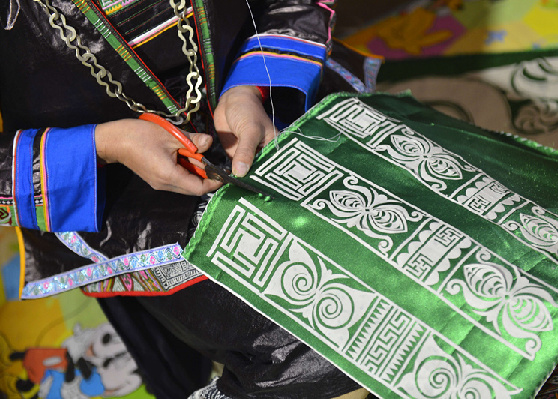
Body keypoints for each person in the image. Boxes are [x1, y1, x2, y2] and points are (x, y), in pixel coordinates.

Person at [0, 0, 379, 397]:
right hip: (119, 197)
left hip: (269, 103)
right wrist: (106, 145)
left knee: (417, 267)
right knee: (324, 343)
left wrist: (251, 85)